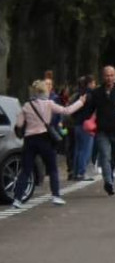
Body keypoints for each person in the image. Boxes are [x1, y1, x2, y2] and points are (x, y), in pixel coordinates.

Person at [11, 80, 87, 208]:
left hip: (30, 140)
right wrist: (81, 102)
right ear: (45, 91)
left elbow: (19, 124)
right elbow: (66, 110)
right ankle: (56, 196)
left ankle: (17, 199)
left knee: (25, 170)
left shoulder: (26, 105)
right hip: (45, 138)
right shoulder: (49, 103)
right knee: (52, 168)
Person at [84, 65, 115, 195]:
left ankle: (110, 175)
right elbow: (90, 110)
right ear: (102, 77)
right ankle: (108, 182)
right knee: (105, 155)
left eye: (111, 75)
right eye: (106, 75)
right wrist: (85, 120)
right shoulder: (96, 92)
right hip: (102, 129)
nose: (109, 78)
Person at [69, 75, 96, 181]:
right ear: (89, 84)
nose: (94, 85)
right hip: (87, 125)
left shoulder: (77, 95)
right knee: (86, 150)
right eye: (93, 83)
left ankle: (75, 172)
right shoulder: (91, 95)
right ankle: (81, 172)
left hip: (77, 124)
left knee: (78, 149)